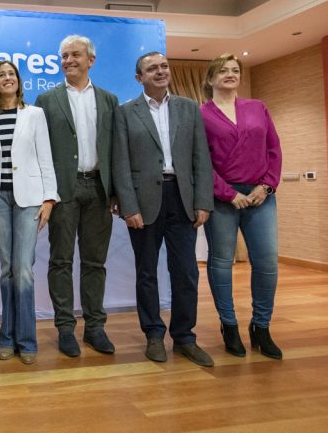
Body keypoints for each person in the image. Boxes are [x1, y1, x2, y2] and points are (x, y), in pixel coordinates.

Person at [112, 51, 215, 367]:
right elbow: (120, 162)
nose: (160, 71)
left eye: (164, 66)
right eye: (152, 68)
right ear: (138, 77)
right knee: (146, 273)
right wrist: (128, 205)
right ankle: (154, 335)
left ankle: (185, 338)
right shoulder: (125, 112)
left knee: (185, 272)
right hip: (143, 202)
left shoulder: (188, 108)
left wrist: (203, 201)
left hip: (182, 199)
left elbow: (201, 158)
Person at [34, 35, 119, 357]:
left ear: (91, 60)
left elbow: (116, 149)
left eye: (75, 55)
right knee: (61, 261)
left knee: (95, 263)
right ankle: (65, 328)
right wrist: (46, 194)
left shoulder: (109, 100)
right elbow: (40, 151)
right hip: (62, 192)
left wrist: (118, 192)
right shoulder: (47, 100)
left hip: (99, 189)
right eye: (64, 56)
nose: (68, 60)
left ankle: (95, 327)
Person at [200, 53, 283, 359]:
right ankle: (229, 325)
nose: (230, 74)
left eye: (235, 70)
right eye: (223, 70)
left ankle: (261, 327)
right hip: (222, 197)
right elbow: (201, 161)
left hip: (261, 195)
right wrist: (226, 193)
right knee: (221, 262)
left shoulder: (257, 108)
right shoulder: (201, 114)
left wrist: (267, 185)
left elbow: (274, 149)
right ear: (210, 78)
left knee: (267, 263)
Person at [0, 61, 57, 365]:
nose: (7, 78)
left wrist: (49, 199)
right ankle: (6, 338)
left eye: (11, 74)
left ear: (18, 81)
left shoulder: (34, 114)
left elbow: (45, 157)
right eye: (1, 75)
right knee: (7, 268)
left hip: (30, 200)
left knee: (23, 269)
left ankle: (27, 340)